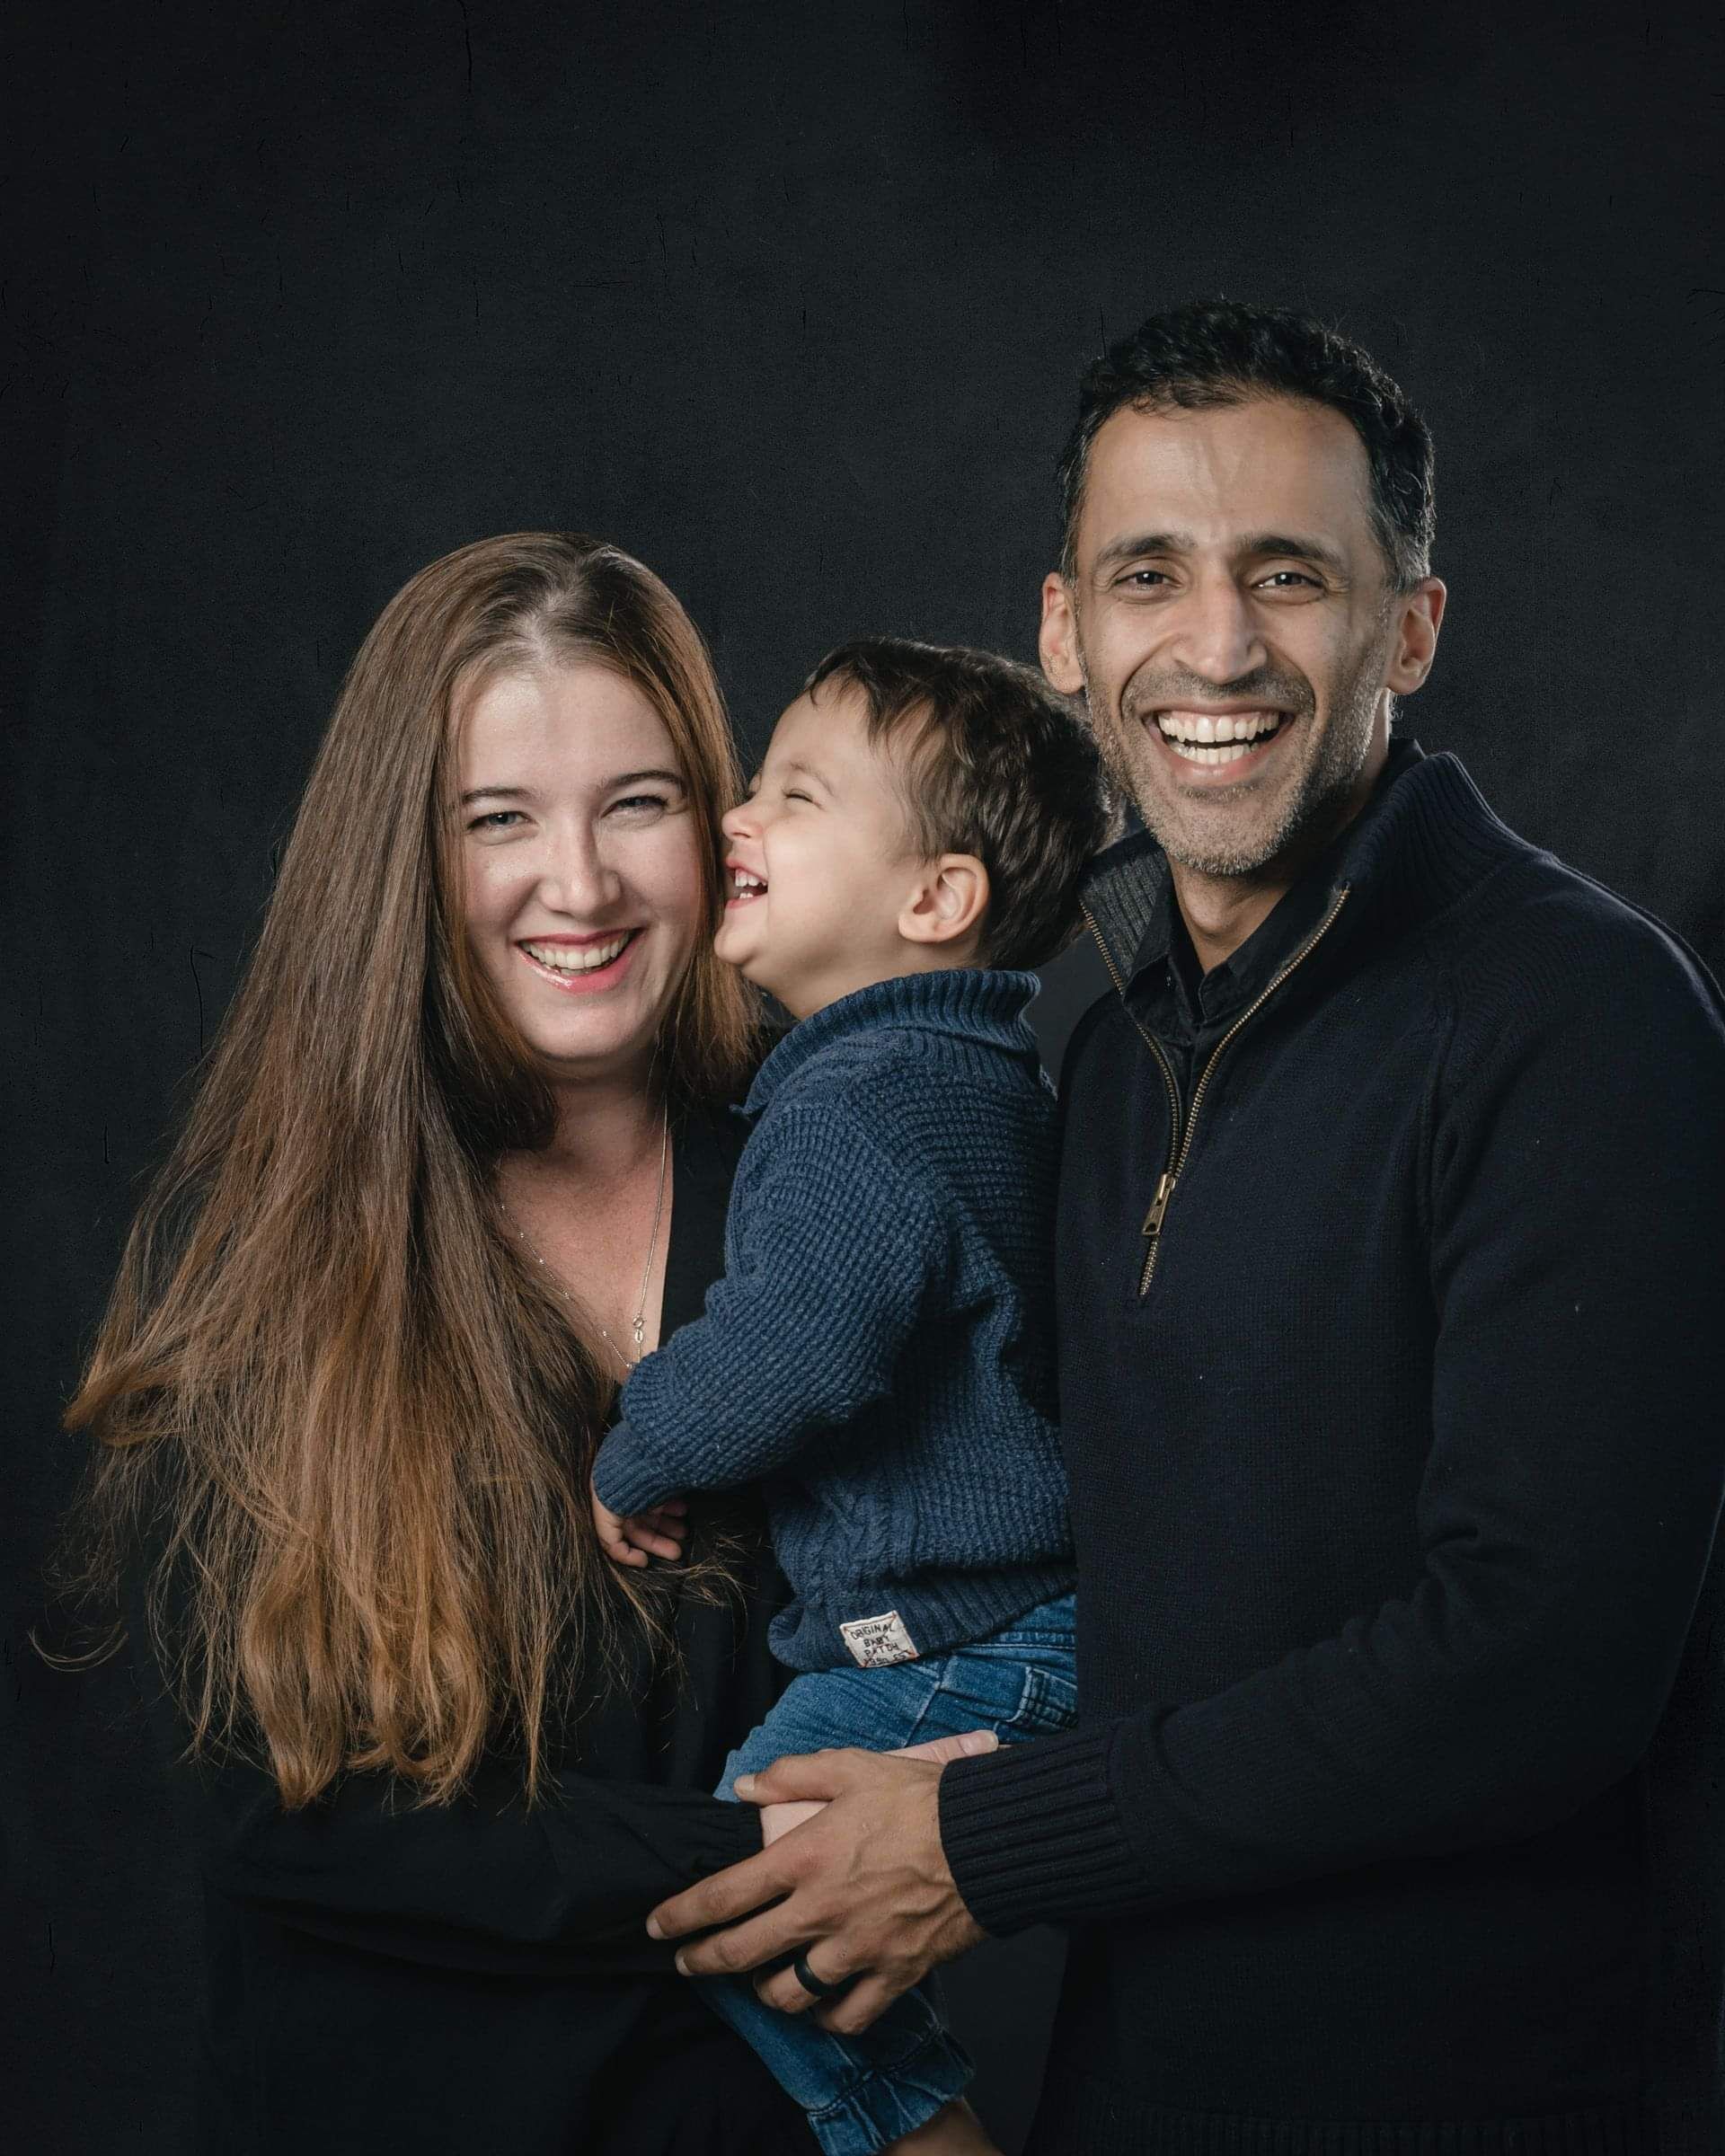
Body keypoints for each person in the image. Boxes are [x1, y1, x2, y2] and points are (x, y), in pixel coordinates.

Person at [644, 304, 1725, 2152]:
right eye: (1151, 574)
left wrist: (989, 1840)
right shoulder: (1107, 1060)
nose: (1215, 645)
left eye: (1289, 574)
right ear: (1068, 630)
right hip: (1136, 2087)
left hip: (1482, 2103)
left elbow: (1539, 1669)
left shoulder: (1580, 1016)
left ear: (1411, 626)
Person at [44, 531, 987, 2156]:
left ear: (719, 826)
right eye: (500, 819)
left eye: (638, 803)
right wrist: (813, 1858)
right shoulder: (273, 1248)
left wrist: (987, 1829)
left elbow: (998, 1584)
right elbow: (293, 1816)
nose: (583, 883)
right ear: (406, 857)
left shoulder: (849, 1182)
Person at [588, 639, 1110, 2156]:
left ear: (934, 900)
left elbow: (797, 1347)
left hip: (965, 1636)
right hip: (1031, 1624)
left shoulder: (860, 1109)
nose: (735, 818)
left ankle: (922, 2139)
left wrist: (640, 1442)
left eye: (794, 795)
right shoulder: (969, 1073)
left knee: (755, 1870)